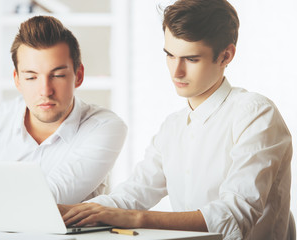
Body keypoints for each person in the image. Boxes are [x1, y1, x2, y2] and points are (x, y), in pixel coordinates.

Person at [61, 0, 293, 239]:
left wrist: (137, 218)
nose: (176, 72)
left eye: (191, 59)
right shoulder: (173, 126)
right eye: (170, 55)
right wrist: (61, 212)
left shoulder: (255, 113)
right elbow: (133, 194)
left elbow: (235, 214)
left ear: (226, 56)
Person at [0, 16, 127, 205]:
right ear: (17, 79)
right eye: (31, 77)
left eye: (58, 75)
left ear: (78, 76)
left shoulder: (104, 127)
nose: (45, 91)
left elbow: (45, 200)